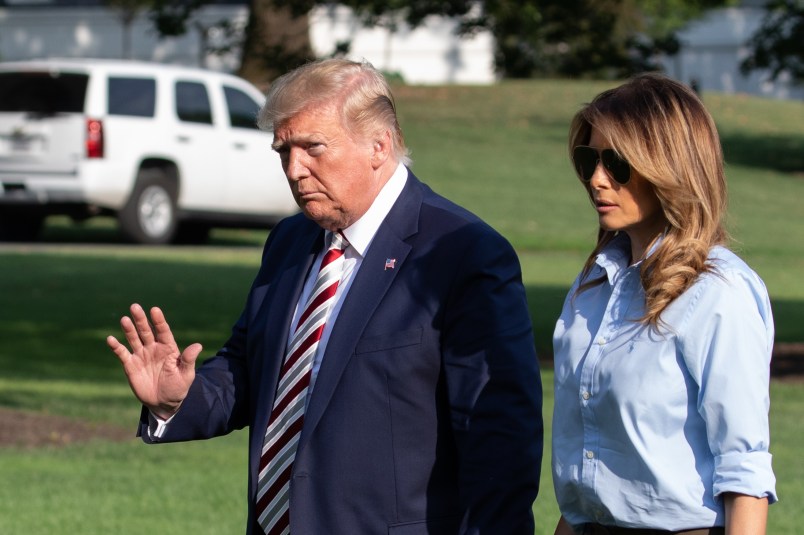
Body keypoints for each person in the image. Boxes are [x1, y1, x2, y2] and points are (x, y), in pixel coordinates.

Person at [107, 58, 543, 535]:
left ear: (379, 145)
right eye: (283, 151)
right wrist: (178, 399)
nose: (295, 170)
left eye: (313, 148)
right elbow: (253, 369)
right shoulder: (290, 242)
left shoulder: (461, 252)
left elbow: (499, 438)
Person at [551, 73, 777, 535]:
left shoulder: (717, 293)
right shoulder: (592, 287)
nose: (596, 179)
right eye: (587, 159)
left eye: (616, 163)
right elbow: (587, 470)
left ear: (669, 167)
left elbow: (744, 468)